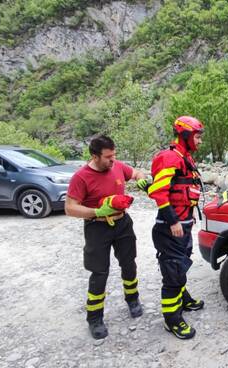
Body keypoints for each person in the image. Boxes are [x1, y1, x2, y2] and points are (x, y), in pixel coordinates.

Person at [65, 135, 147, 340]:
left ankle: (133, 299)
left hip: (122, 223)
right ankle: (94, 318)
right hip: (97, 227)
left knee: (129, 264)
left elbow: (135, 172)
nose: (113, 160)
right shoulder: (81, 177)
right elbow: (70, 208)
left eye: (114, 155)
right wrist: (98, 212)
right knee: (99, 272)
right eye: (108, 157)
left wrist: (141, 178)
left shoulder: (117, 166)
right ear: (94, 156)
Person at [147, 116, 205, 339]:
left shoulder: (185, 157)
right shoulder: (170, 158)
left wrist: (186, 221)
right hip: (170, 228)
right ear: (186, 135)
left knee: (181, 266)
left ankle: (184, 298)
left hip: (183, 225)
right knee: (173, 272)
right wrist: (173, 221)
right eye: (197, 137)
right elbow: (159, 193)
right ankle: (172, 320)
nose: (200, 141)